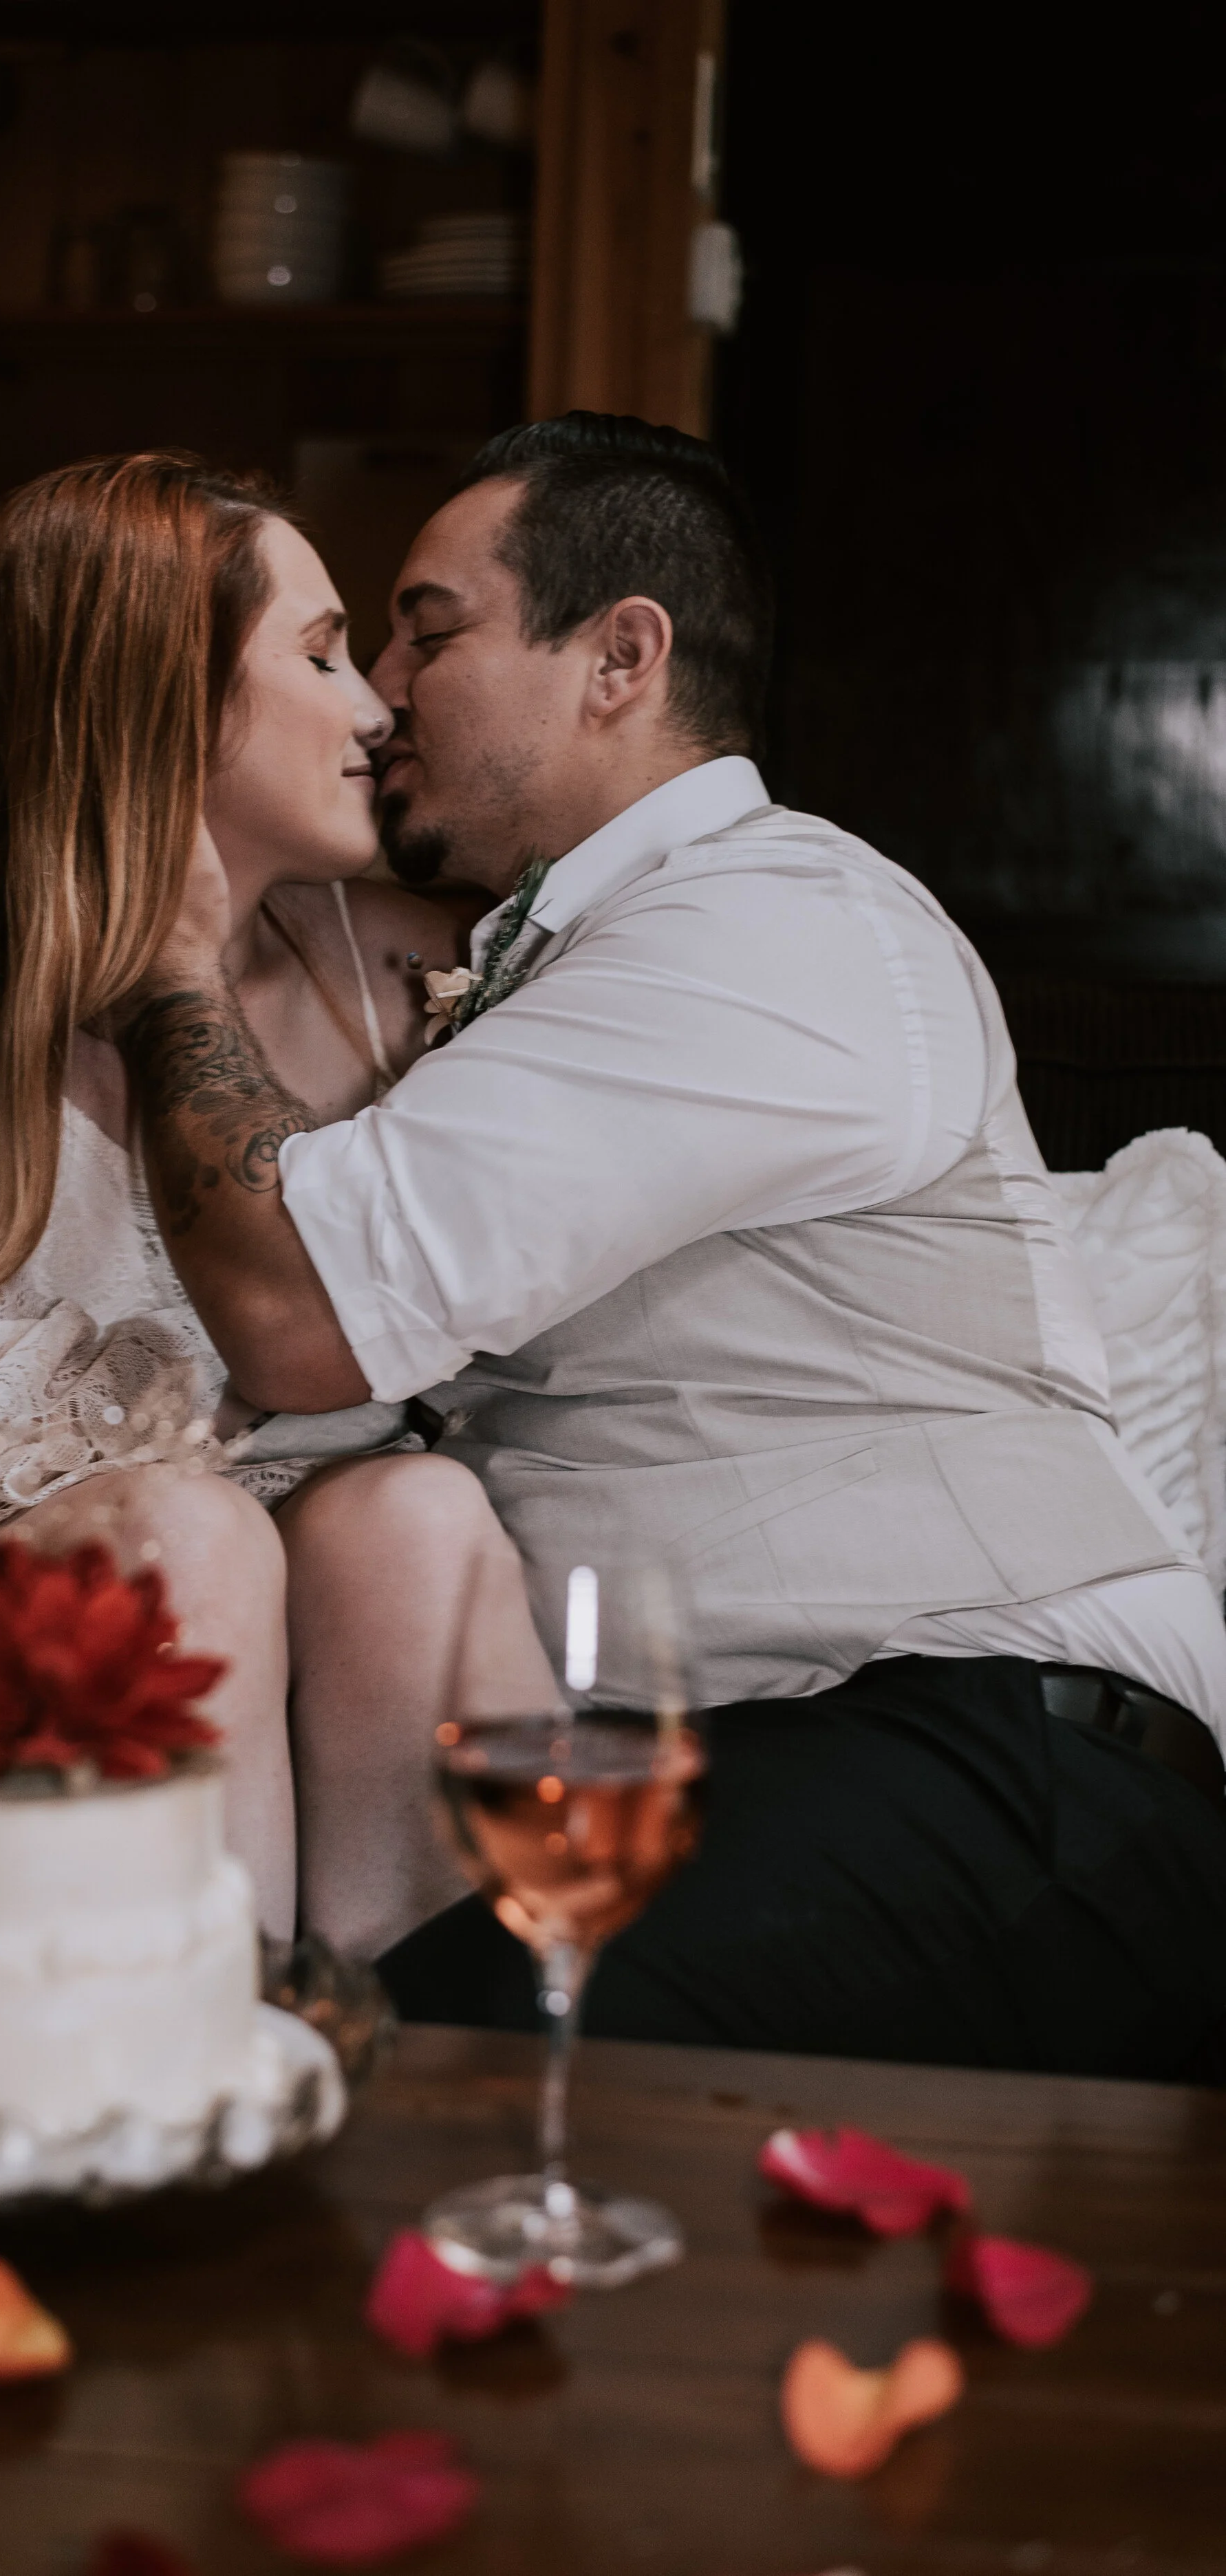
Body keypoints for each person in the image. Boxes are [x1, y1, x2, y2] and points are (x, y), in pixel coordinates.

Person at [120, 411, 1226, 2081]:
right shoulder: (576, 952)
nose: (383, 695)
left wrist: (166, 975)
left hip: (989, 1753)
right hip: (740, 1755)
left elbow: (298, 1311)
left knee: (440, 2066)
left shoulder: (767, 922)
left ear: (618, 656)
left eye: (427, 632)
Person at [0, 453, 554, 1945]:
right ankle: (196, 2085)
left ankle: (420, 2069)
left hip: (299, 1625)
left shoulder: (410, 976)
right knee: (192, 1538)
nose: (377, 707)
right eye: (321, 656)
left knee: (419, 1516)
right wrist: (227, 1487)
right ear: (163, 701)